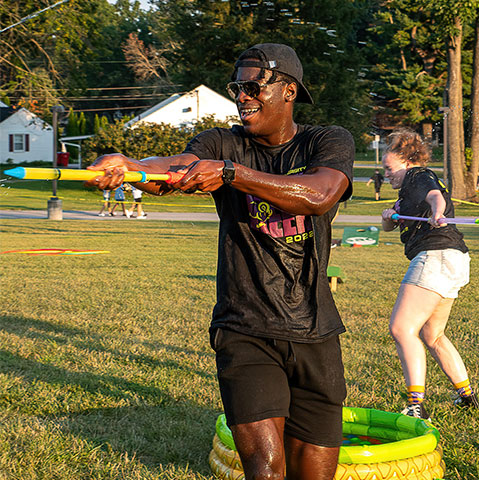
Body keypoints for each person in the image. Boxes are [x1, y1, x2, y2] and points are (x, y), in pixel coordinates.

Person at [86, 43, 354, 479]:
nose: (242, 96)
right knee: (265, 470)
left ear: (289, 91)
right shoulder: (220, 142)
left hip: (315, 330)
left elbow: (320, 196)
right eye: (237, 87)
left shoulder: (326, 140)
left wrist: (233, 174)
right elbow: (174, 170)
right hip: (244, 327)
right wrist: (131, 164)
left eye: (253, 86)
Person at [381, 128, 477, 419]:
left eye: (389, 168)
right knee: (432, 334)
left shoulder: (418, 176)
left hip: (435, 255)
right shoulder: (405, 194)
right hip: (454, 259)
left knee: (401, 328)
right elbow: (391, 225)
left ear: (408, 161)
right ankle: (467, 395)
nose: (386, 174)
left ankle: (416, 405)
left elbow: (436, 196)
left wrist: (438, 212)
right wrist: (388, 217)